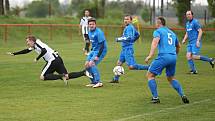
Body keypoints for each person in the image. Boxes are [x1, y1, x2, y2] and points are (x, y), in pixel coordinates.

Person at [7, 35, 91, 86]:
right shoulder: (35, 45)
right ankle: (83, 72)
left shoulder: (37, 44)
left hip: (53, 60)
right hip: (58, 59)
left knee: (42, 77)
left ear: (32, 41)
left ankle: (61, 76)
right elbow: (26, 51)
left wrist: (37, 58)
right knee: (67, 76)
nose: (27, 43)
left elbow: (44, 51)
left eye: (28, 41)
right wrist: (14, 54)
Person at [145, 16, 189, 104]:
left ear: (158, 23)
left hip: (163, 56)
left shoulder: (158, 31)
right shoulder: (172, 33)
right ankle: (182, 94)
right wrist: (174, 55)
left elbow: (155, 43)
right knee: (171, 78)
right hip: (173, 57)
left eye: (156, 23)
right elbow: (178, 46)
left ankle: (155, 97)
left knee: (150, 75)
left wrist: (150, 55)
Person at [110, 15, 149, 83]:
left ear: (131, 21)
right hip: (124, 49)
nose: (125, 20)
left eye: (127, 19)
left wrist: (119, 39)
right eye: (125, 19)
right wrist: (133, 40)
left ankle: (149, 67)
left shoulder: (129, 28)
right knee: (119, 63)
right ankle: (116, 79)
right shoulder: (130, 27)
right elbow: (138, 35)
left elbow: (129, 37)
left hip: (128, 49)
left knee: (132, 66)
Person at [85, 17, 107, 88]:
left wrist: (97, 56)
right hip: (94, 50)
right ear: (88, 25)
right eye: (90, 24)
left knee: (92, 63)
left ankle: (98, 82)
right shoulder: (89, 32)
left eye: (93, 24)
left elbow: (102, 45)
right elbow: (92, 42)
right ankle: (93, 81)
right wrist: (88, 49)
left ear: (95, 25)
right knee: (87, 65)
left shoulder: (99, 32)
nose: (91, 25)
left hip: (101, 50)